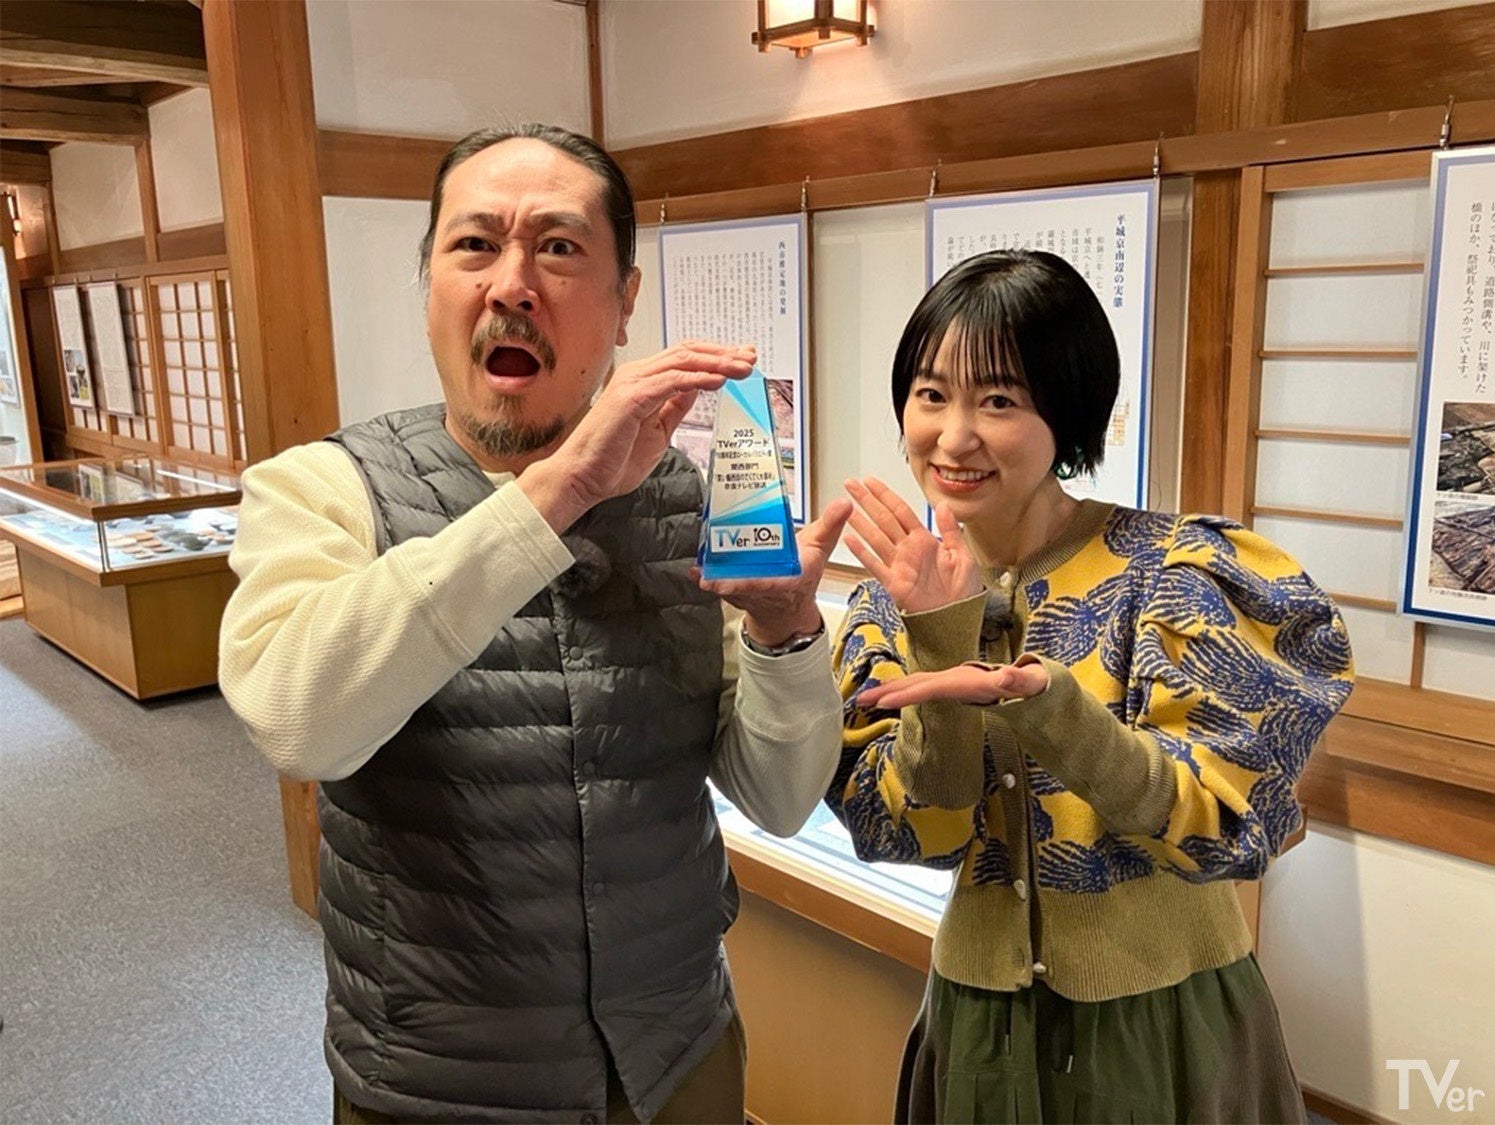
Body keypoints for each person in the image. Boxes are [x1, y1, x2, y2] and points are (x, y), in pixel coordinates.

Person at [218, 123, 851, 1124]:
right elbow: (298, 723)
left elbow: (777, 797)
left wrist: (786, 636)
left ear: (625, 300)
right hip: (437, 1083)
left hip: (676, 1058)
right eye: (475, 245)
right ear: (428, 281)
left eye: (559, 248)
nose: (512, 283)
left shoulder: (688, 498)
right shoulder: (323, 488)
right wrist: (556, 493)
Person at [830, 249, 1354, 1123]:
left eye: (999, 400)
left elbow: (1219, 826)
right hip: (981, 1020)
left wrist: (1053, 707)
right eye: (931, 394)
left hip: (1164, 1020)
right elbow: (916, 832)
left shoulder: (1174, 572)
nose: (953, 436)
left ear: (1067, 409)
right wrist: (939, 637)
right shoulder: (892, 605)